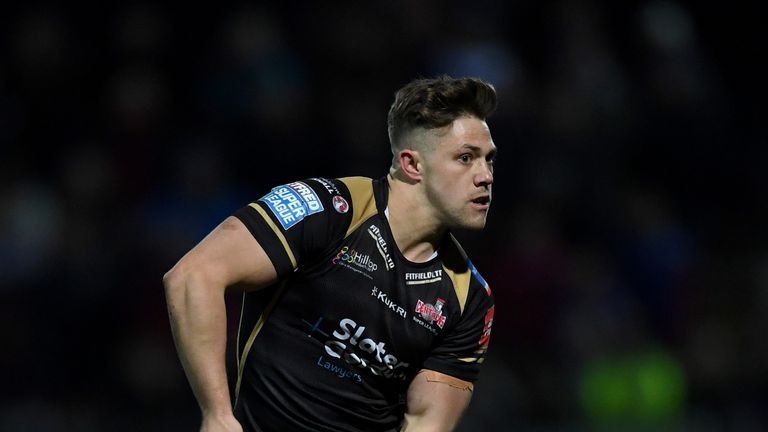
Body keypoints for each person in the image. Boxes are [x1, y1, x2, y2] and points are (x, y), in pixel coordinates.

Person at [163, 75, 498, 432]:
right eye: (466, 158)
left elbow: (426, 423)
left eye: (490, 160)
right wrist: (217, 414)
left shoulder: (470, 299)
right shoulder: (329, 209)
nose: (486, 176)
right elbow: (192, 277)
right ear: (412, 164)